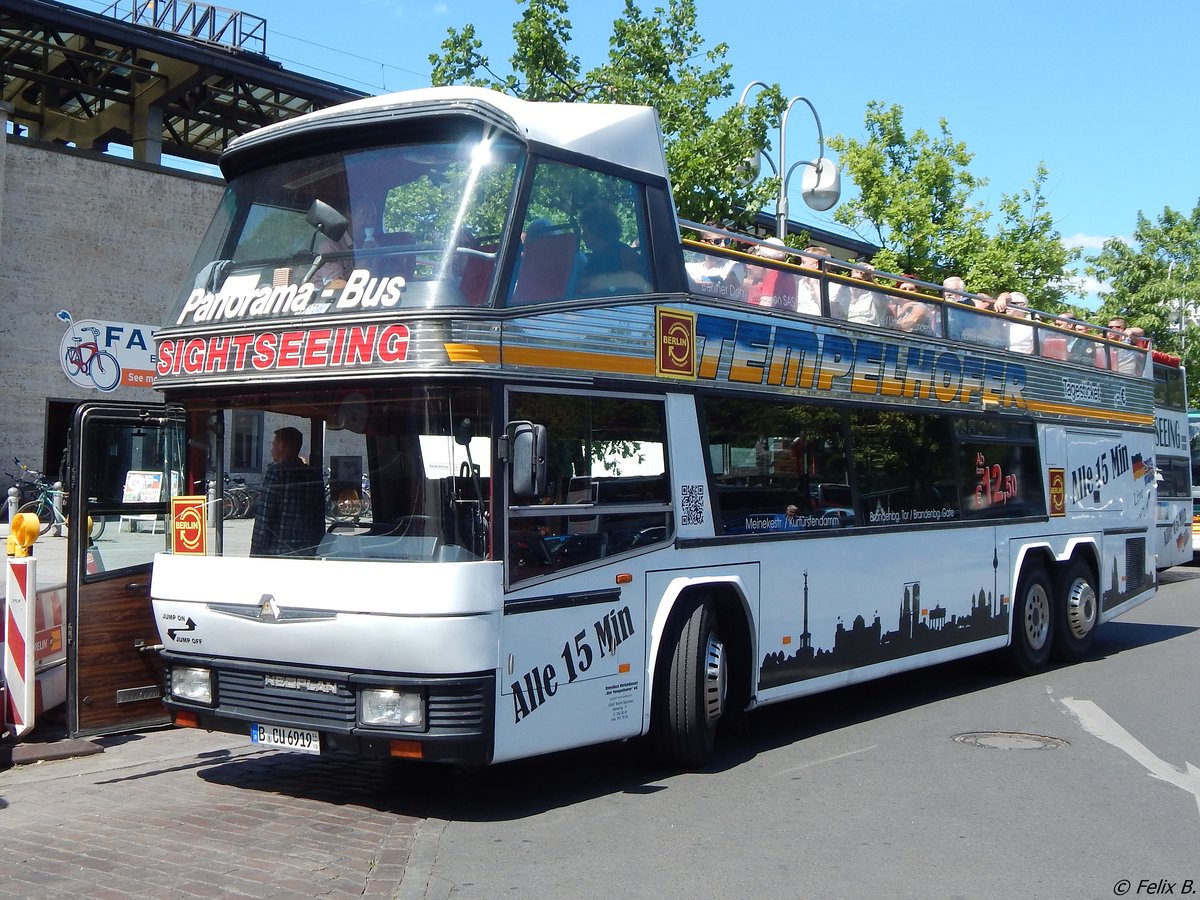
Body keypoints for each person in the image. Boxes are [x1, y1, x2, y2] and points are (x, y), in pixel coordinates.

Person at [250, 426, 326, 558]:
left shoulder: (276, 472)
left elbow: (264, 517)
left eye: (273, 444)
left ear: (281, 445)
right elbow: (319, 519)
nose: (271, 449)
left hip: (280, 552)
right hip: (307, 552)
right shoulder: (314, 474)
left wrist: (255, 552)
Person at [575, 201, 649, 295]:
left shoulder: (625, 255)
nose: (582, 236)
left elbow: (639, 287)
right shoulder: (595, 257)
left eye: (585, 231)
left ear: (597, 231)